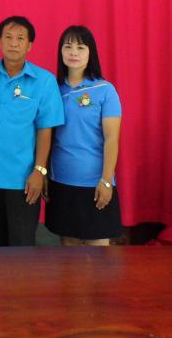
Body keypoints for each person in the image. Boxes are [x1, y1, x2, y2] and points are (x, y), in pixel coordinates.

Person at [0, 16, 64, 246]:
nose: (13, 43)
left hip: (23, 180)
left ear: (29, 45)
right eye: (8, 37)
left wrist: (39, 171)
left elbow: (45, 130)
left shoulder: (44, 81)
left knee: (21, 248)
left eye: (20, 38)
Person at [46, 25, 122, 246]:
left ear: (91, 53)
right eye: (68, 47)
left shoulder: (105, 90)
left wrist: (106, 180)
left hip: (95, 183)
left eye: (80, 47)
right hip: (61, 180)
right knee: (68, 250)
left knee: (98, 253)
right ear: (61, 52)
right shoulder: (53, 89)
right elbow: (46, 135)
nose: (73, 53)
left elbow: (111, 139)